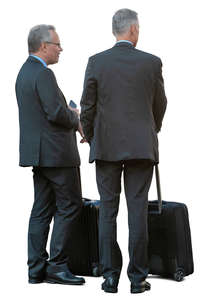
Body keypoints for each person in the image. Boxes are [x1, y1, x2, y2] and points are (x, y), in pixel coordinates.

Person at [80, 8, 167, 294]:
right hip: (141, 148)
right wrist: (150, 129)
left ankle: (109, 277)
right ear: (132, 30)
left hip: (106, 148)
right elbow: (160, 104)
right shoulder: (152, 63)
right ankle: (137, 279)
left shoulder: (96, 62)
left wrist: (91, 137)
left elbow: (87, 106)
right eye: (138, 29)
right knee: (137, 211)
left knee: (108, 211)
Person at [15, 24, 85, 285]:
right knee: (70, 206)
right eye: (57, 44)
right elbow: (55, 113)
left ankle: (36, 269)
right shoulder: (43, 75)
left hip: (38, 155)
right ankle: (57, 266)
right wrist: (75, 116)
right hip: (57, 155)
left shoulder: (24, 72)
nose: (61, 49)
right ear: (43, 46)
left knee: (41, 210)